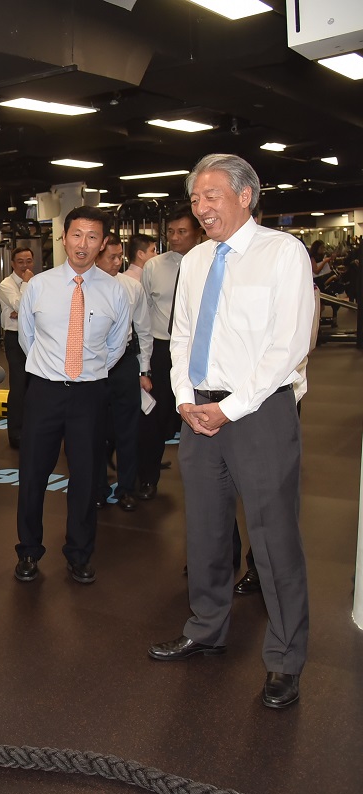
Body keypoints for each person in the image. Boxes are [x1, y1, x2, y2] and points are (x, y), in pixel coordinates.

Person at [148, 153, 314, 711]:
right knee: (207, 531)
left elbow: (287, 345)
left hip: (259, 412)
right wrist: (184, 400)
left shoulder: (282, 253)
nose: (200, 208)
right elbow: (182, 336)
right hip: (199, 414)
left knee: (273, 540)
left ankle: (285, 660)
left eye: (211, 196)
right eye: (195, 199)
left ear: (246, 196)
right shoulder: (194, 261)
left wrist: (233, 407)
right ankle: (206, 628)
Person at [13, 207, 130, 585]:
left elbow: (117, 346)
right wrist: (53, 370)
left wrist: (86, 373)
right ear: (64, 238)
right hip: (44, 391)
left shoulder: (115, 291)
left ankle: (80, 554)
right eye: (76, 235)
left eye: (92, 237)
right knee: (32, 475)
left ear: (103, 243)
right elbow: (26, 339)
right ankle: (28, 552)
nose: (83, 244)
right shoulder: (39, 286)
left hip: (90, 395)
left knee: (86, 477)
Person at [137, 210, 202, 500]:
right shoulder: (153, 266)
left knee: (203, 412)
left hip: (199, 349)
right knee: (155, 418)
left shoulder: (208, 261)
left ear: (197, 232)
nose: (174, 238)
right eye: (171, 232)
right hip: (164, 348)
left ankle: (214, 480)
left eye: (182, 232)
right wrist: (145, 362)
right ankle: (148, 477)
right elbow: (143, 314)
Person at [94, 234, 152, 512]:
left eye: (120, 257)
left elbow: (144, 330)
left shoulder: (132, 287)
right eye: (111, 257)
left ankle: (127, 488)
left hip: (125, 363)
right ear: (97, 256)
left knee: (128, 430)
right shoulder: (83, 287)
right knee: (94, 430)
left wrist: (145, 369)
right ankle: (97, 488)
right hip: (93, 364)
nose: (117, 262)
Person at [0, 247, 36, 448]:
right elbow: (22, 306)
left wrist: (22, 312)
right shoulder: (7, 284)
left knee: (36, 385)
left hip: (36, 337)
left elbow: (40, 309)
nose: (25, 265)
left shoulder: (38, 281)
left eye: (29, 261)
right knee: (19, 385)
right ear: (13, 264)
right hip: (15, 338)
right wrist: (27, 287)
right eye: (20, 261)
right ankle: (16, 433)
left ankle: (34, 429)